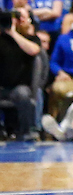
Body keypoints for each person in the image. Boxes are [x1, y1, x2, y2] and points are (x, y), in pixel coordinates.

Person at [0, 8, 42, 140]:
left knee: (23, 94)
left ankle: (27, 131)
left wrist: (13, 32)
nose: (19, 20)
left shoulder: (32, 38)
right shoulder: (2, 39)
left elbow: (34, 50)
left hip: (18, 87)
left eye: (22, 18)